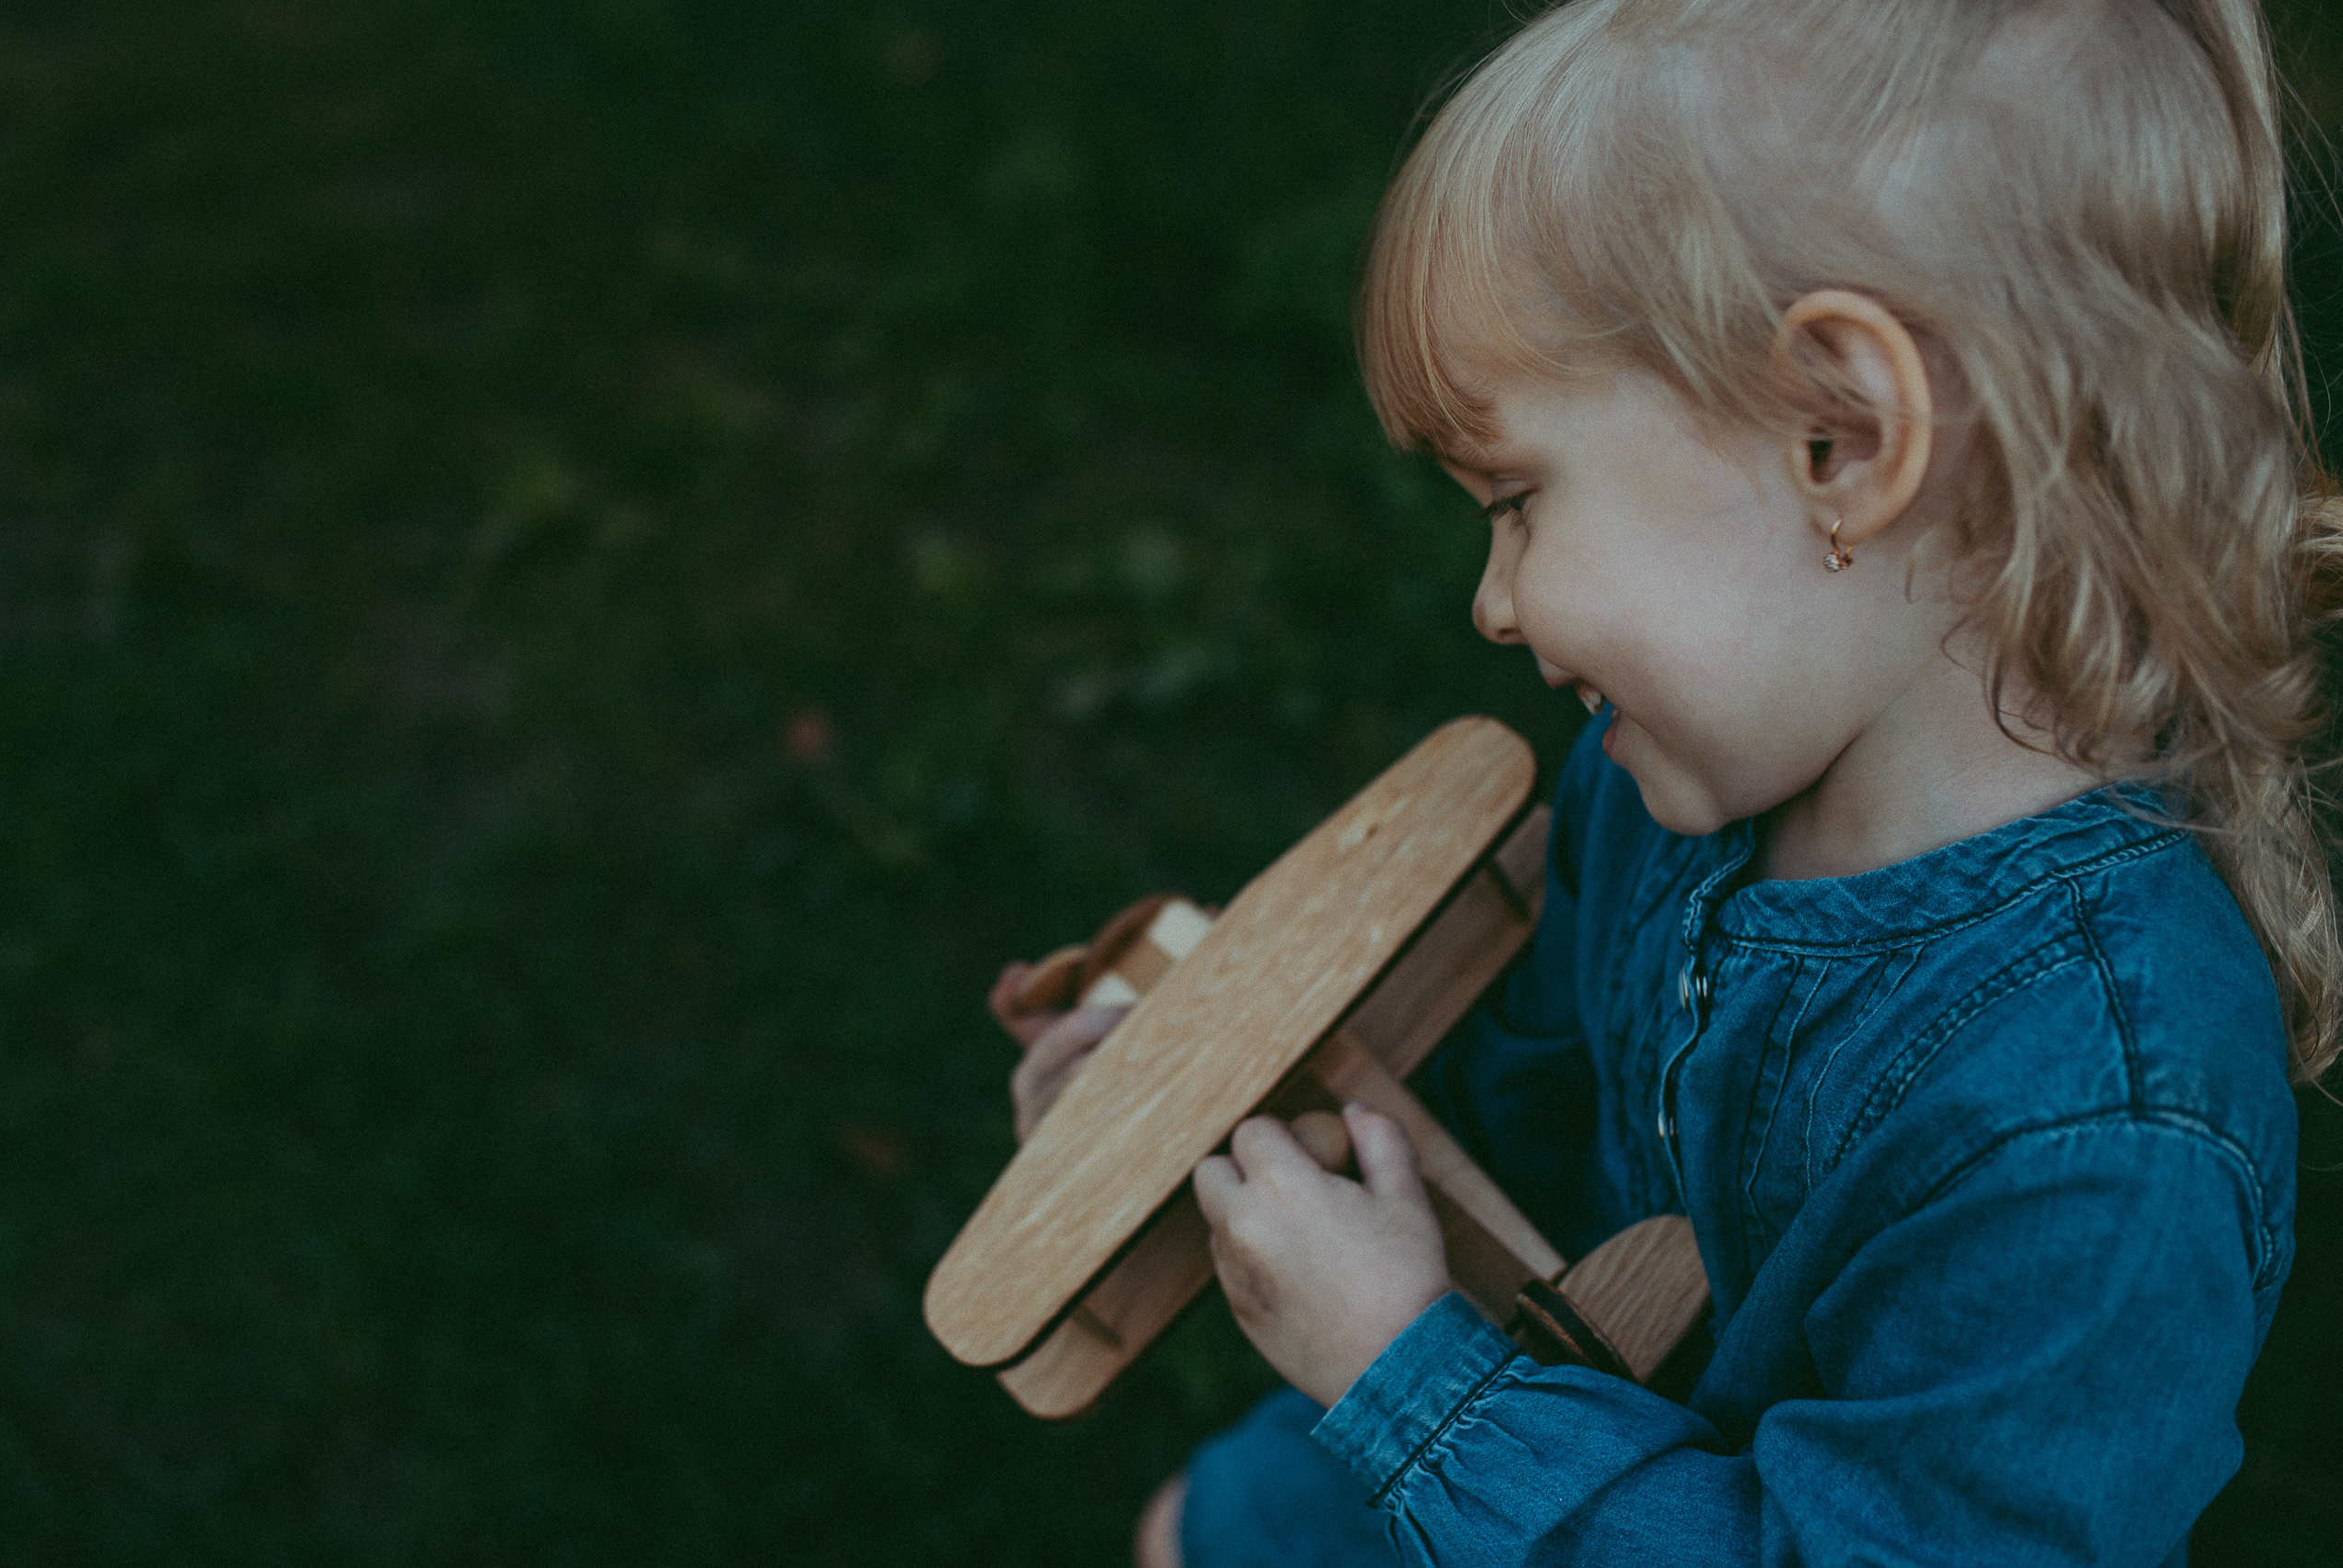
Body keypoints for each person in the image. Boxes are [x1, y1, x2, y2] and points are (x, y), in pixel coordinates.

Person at [996, 0, 2339, 1561]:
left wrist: (1397, 1374)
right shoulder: (1673, 780)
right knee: (1202, 1532)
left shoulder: (2095, 1138)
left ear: (1844, 438)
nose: (1491, 603)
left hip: (1572, 1471)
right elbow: (1533, 1104)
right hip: (1558, 1406)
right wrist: (1212, 1100)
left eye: (1516, 500)